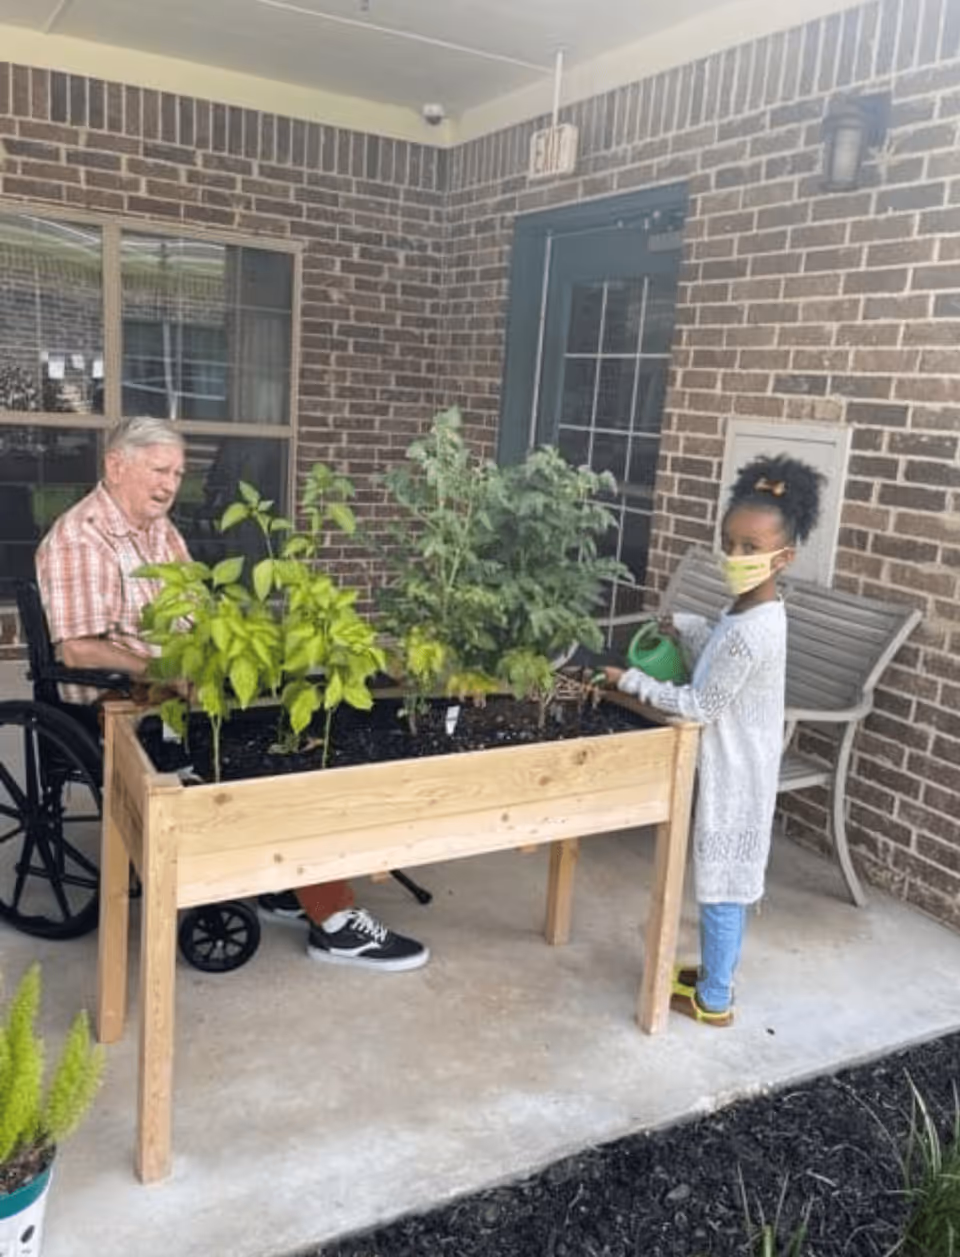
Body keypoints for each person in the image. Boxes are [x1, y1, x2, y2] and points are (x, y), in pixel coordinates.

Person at [36, 415, 429, 973]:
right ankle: (336, 923)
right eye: (159, 470)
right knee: (279, 761)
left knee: (304, 725)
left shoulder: (157, 529)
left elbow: (198, 612)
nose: (171, 484)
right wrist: (167, 671)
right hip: (120, 702)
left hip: (186, 686)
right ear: (115, 466)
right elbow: (78, 650)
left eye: (178, 472)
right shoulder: (81, 537)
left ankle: (283, 879)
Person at [602, 455, 823, 1027]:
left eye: (751, 548)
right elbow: (720, 649)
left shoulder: (756, 629)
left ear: (785, 556)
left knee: (724, 881)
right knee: (727, 873)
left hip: (738, 770)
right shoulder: (748, 609)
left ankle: (715, 998)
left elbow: (702, 703)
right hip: (736, 761)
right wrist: (693, 626)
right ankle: (713, 973)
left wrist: (631, 681)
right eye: (729, 543)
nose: (736, 557)